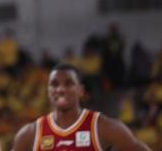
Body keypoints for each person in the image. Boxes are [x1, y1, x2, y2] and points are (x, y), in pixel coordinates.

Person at [11, 63, 151, 151]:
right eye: (54, 84)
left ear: (81, 90)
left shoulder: (103, 127)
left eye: (68, 83)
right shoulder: (30, 134)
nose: (60, 89)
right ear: (48, 91)